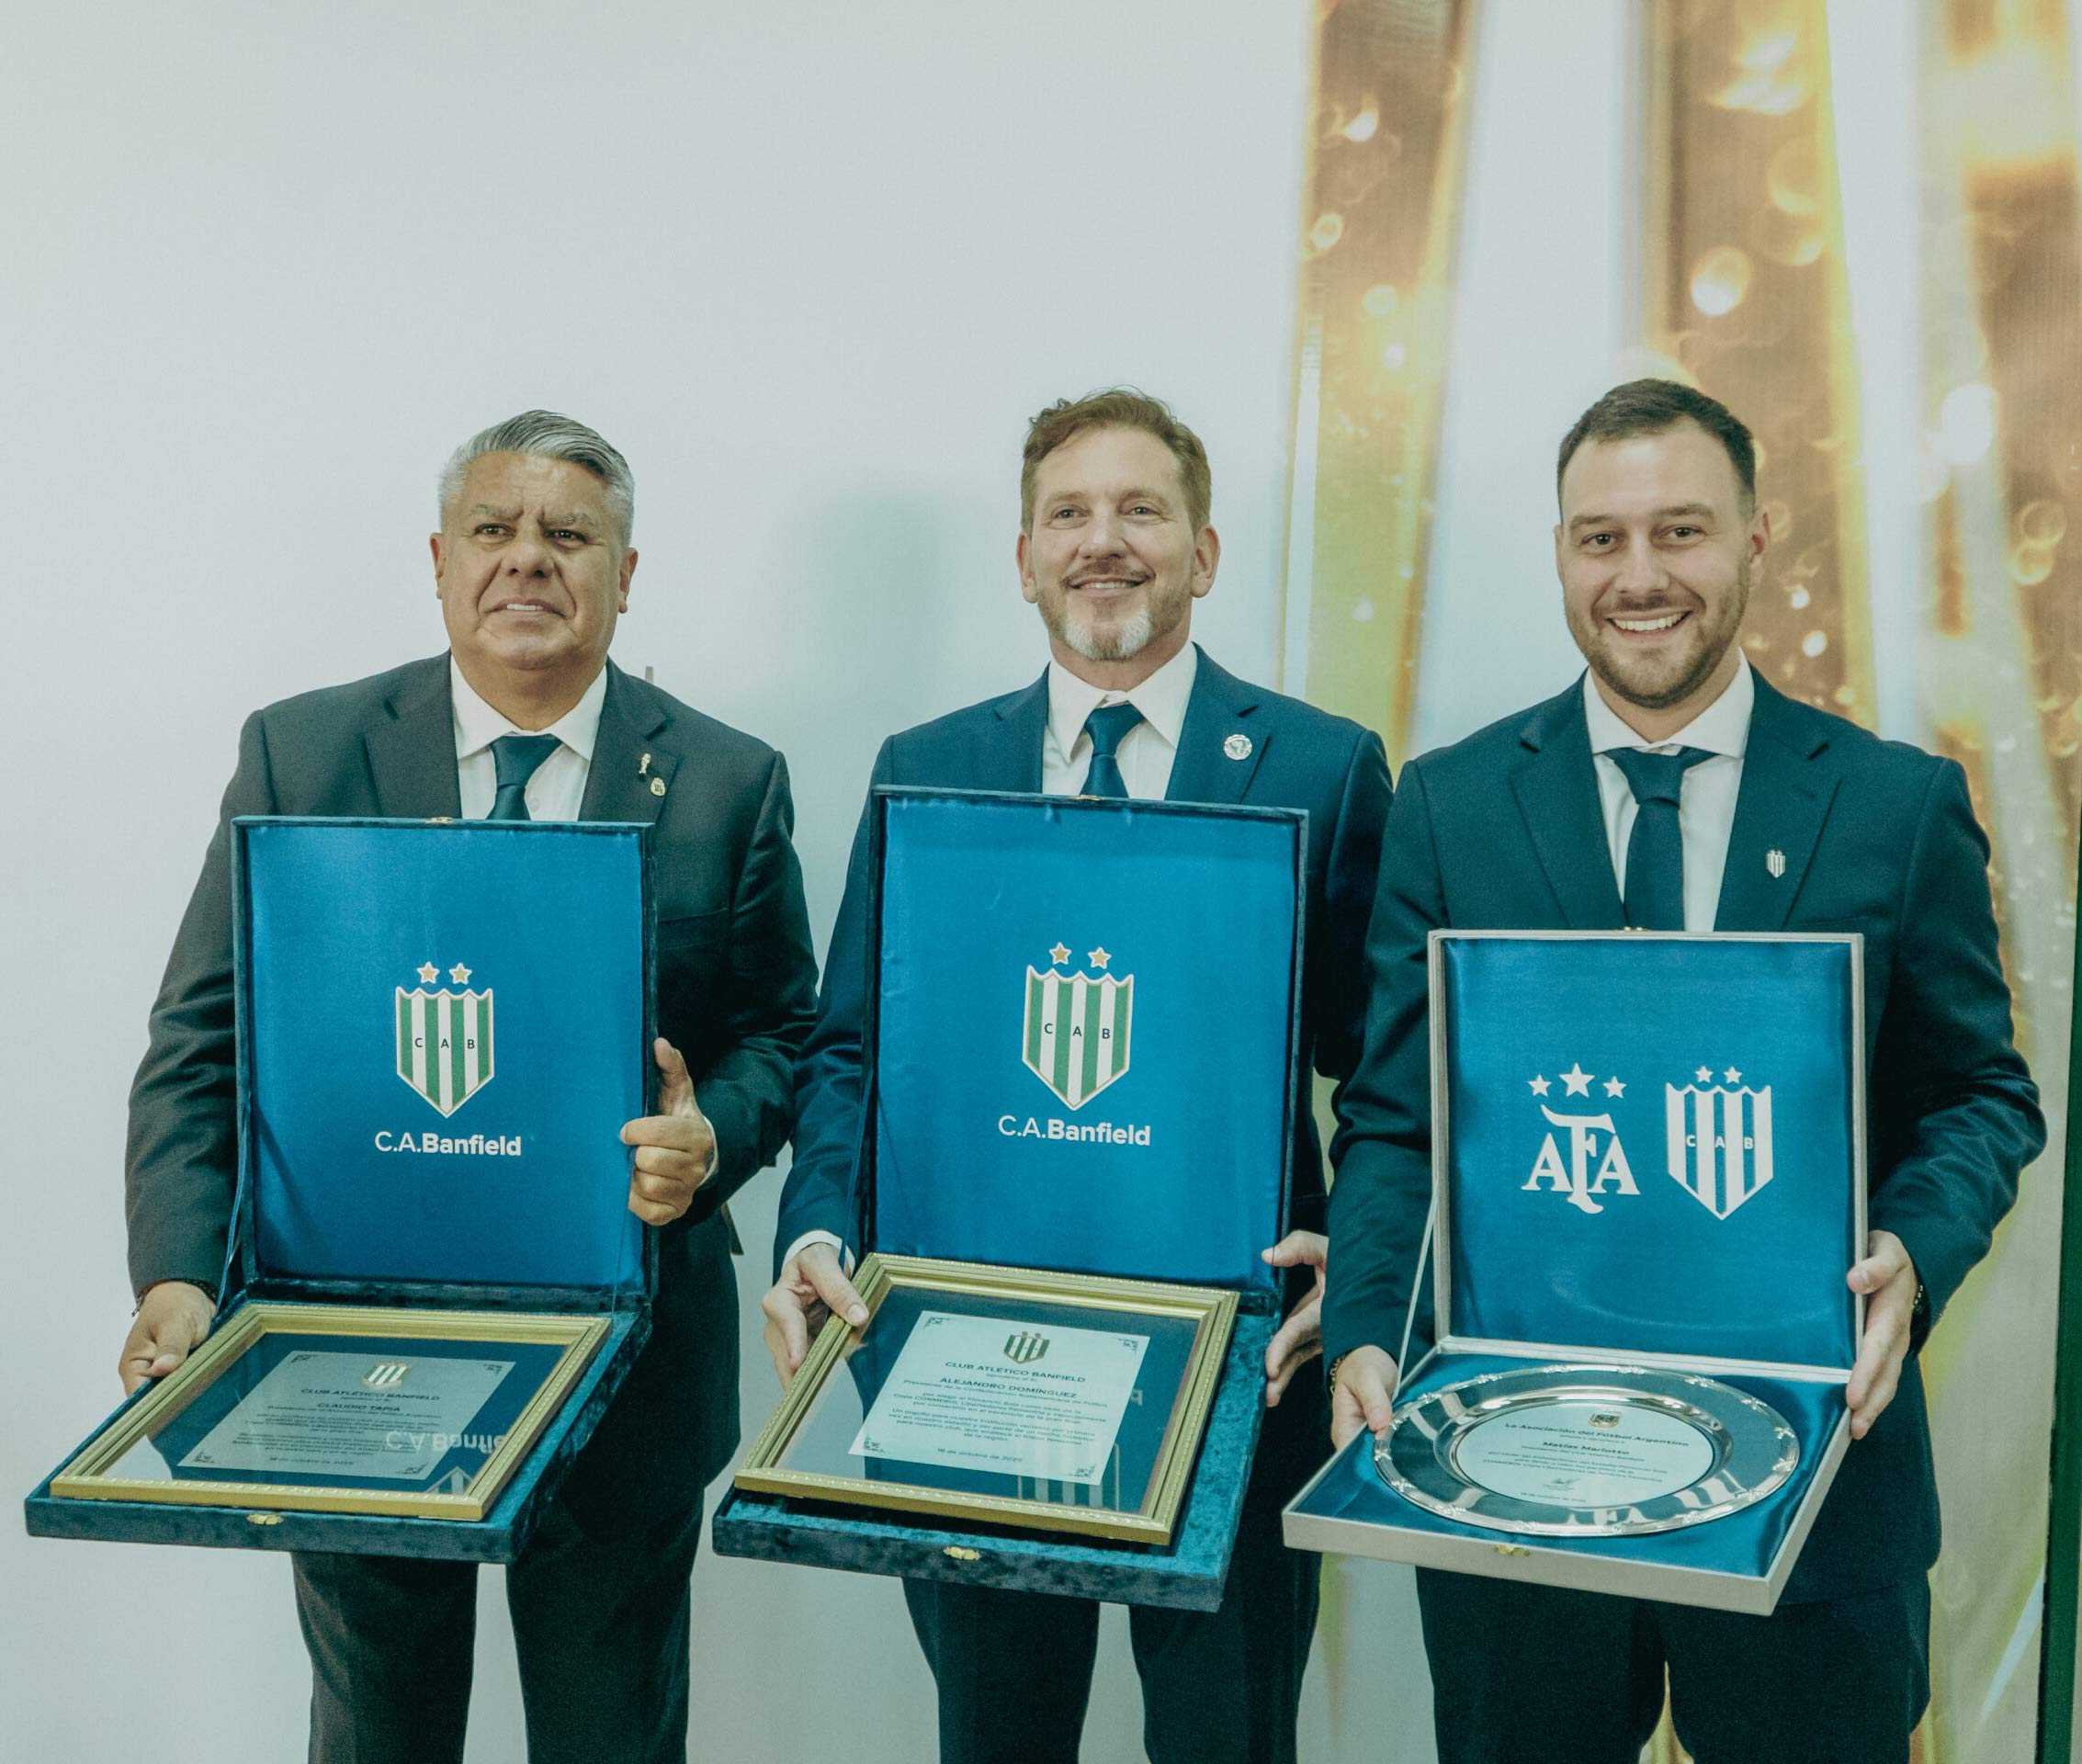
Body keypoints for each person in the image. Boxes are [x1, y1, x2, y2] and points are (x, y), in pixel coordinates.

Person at [1320, 378, 2044, 1763]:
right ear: (1559, 553)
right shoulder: (1453, 805)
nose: (1640, 577)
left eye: (1681, 531)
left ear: (1757, 535)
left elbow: (1979, 1094)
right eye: (1600, 539)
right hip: (1514, 1493)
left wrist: (1912, 1248)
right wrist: (1365, 1325)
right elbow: (1396, 1121)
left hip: (1820, 1492)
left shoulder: (1893, 806)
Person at [118, 410, 820, 1764]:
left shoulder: (730, 780)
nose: (527, 560)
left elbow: (784, 1035)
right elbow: (203, 1040)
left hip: (631, 1363)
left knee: (610, 1737)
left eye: (569, 535)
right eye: (493, 530)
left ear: (626, 573)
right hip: (350, 1348)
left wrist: (711, 1138)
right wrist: (177, 1274)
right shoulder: (303, 751)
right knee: (379, 1732)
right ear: (440, 562)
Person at [762, 387, 1392, 1764]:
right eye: (1068, 515)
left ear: (1203, 553)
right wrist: (816, 1229)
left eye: (1139, 511)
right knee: (998, 1736)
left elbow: (1385, 1080)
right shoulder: (929, 768)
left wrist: (1356, 1257)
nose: (1103, 542)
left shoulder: (1325, 767)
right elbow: (854, 1045)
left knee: (1227, 1742)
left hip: (1241, 1378)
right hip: (970, 1359)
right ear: (1025, 558)